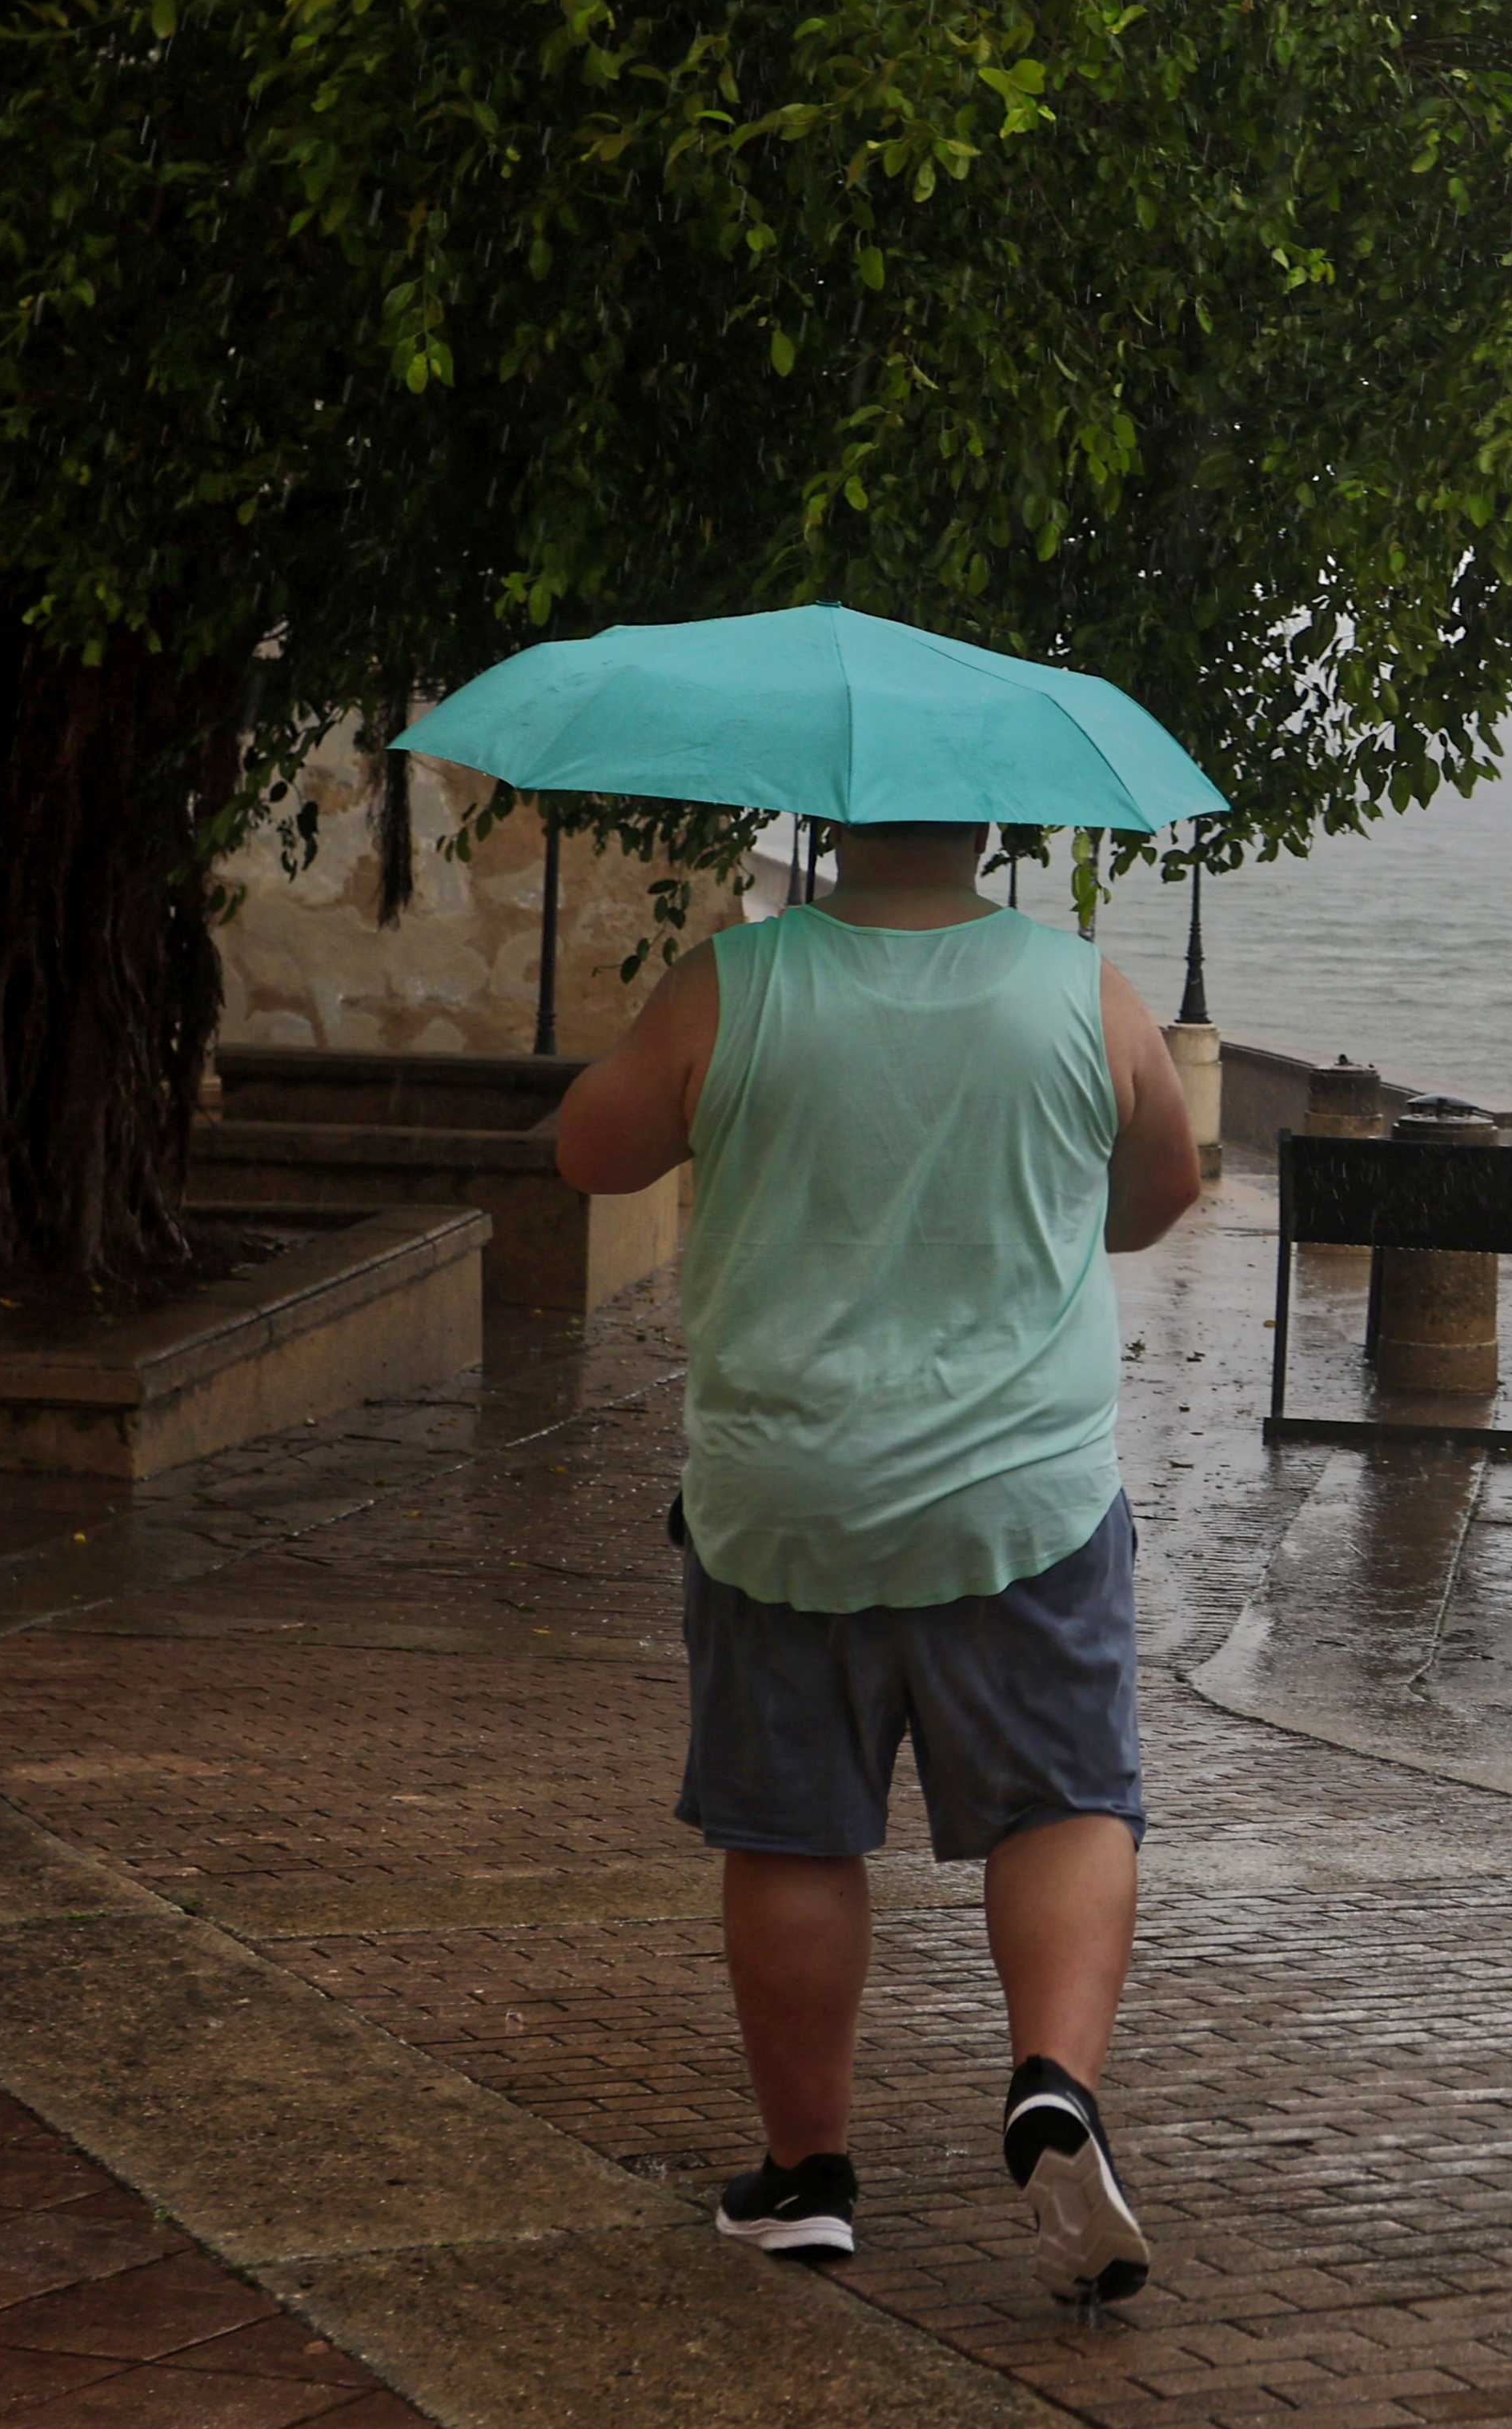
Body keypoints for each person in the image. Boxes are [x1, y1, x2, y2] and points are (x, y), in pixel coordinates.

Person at [553, 817, 1203, 2299]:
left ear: (832, 824)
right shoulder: (1080, 990)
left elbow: (591, 1151)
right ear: (988, 828)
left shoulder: (737, 980)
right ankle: (1051, 2081)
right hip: (1022, 1501)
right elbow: (1162, 1188)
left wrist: (672, 1048)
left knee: (792, 1831)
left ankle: (806, 2180)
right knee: (1064, 1802)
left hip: (787, 1496)